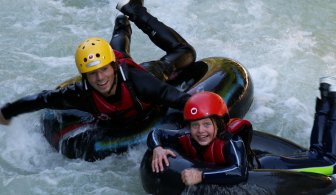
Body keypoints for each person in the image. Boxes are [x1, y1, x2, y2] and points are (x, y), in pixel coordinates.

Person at [146, 77, 336, 186]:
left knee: (332, 164)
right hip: (265, 161)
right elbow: (158, 133)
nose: (201, 131)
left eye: (207, 124)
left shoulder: (230, 143)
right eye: (195, 125)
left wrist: (201, 176)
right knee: (316, 153)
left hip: (270, 167)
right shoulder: (186, 137)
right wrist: (156, 148)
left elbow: (238, 172)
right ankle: (328, 96)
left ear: (219, 124)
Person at [0, 1, 196, 127]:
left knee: (186, 52)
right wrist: (7, 112)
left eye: (103, 70)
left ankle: (134, 11)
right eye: (92, 73)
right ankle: (122, 19)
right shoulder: (80, 92)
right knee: (117, 47)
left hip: (149, 72)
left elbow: (182, 100)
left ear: (114, 67)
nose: (100, 78)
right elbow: (43, 99)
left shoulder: (142, 83)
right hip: (114, 63)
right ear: (85, 76)